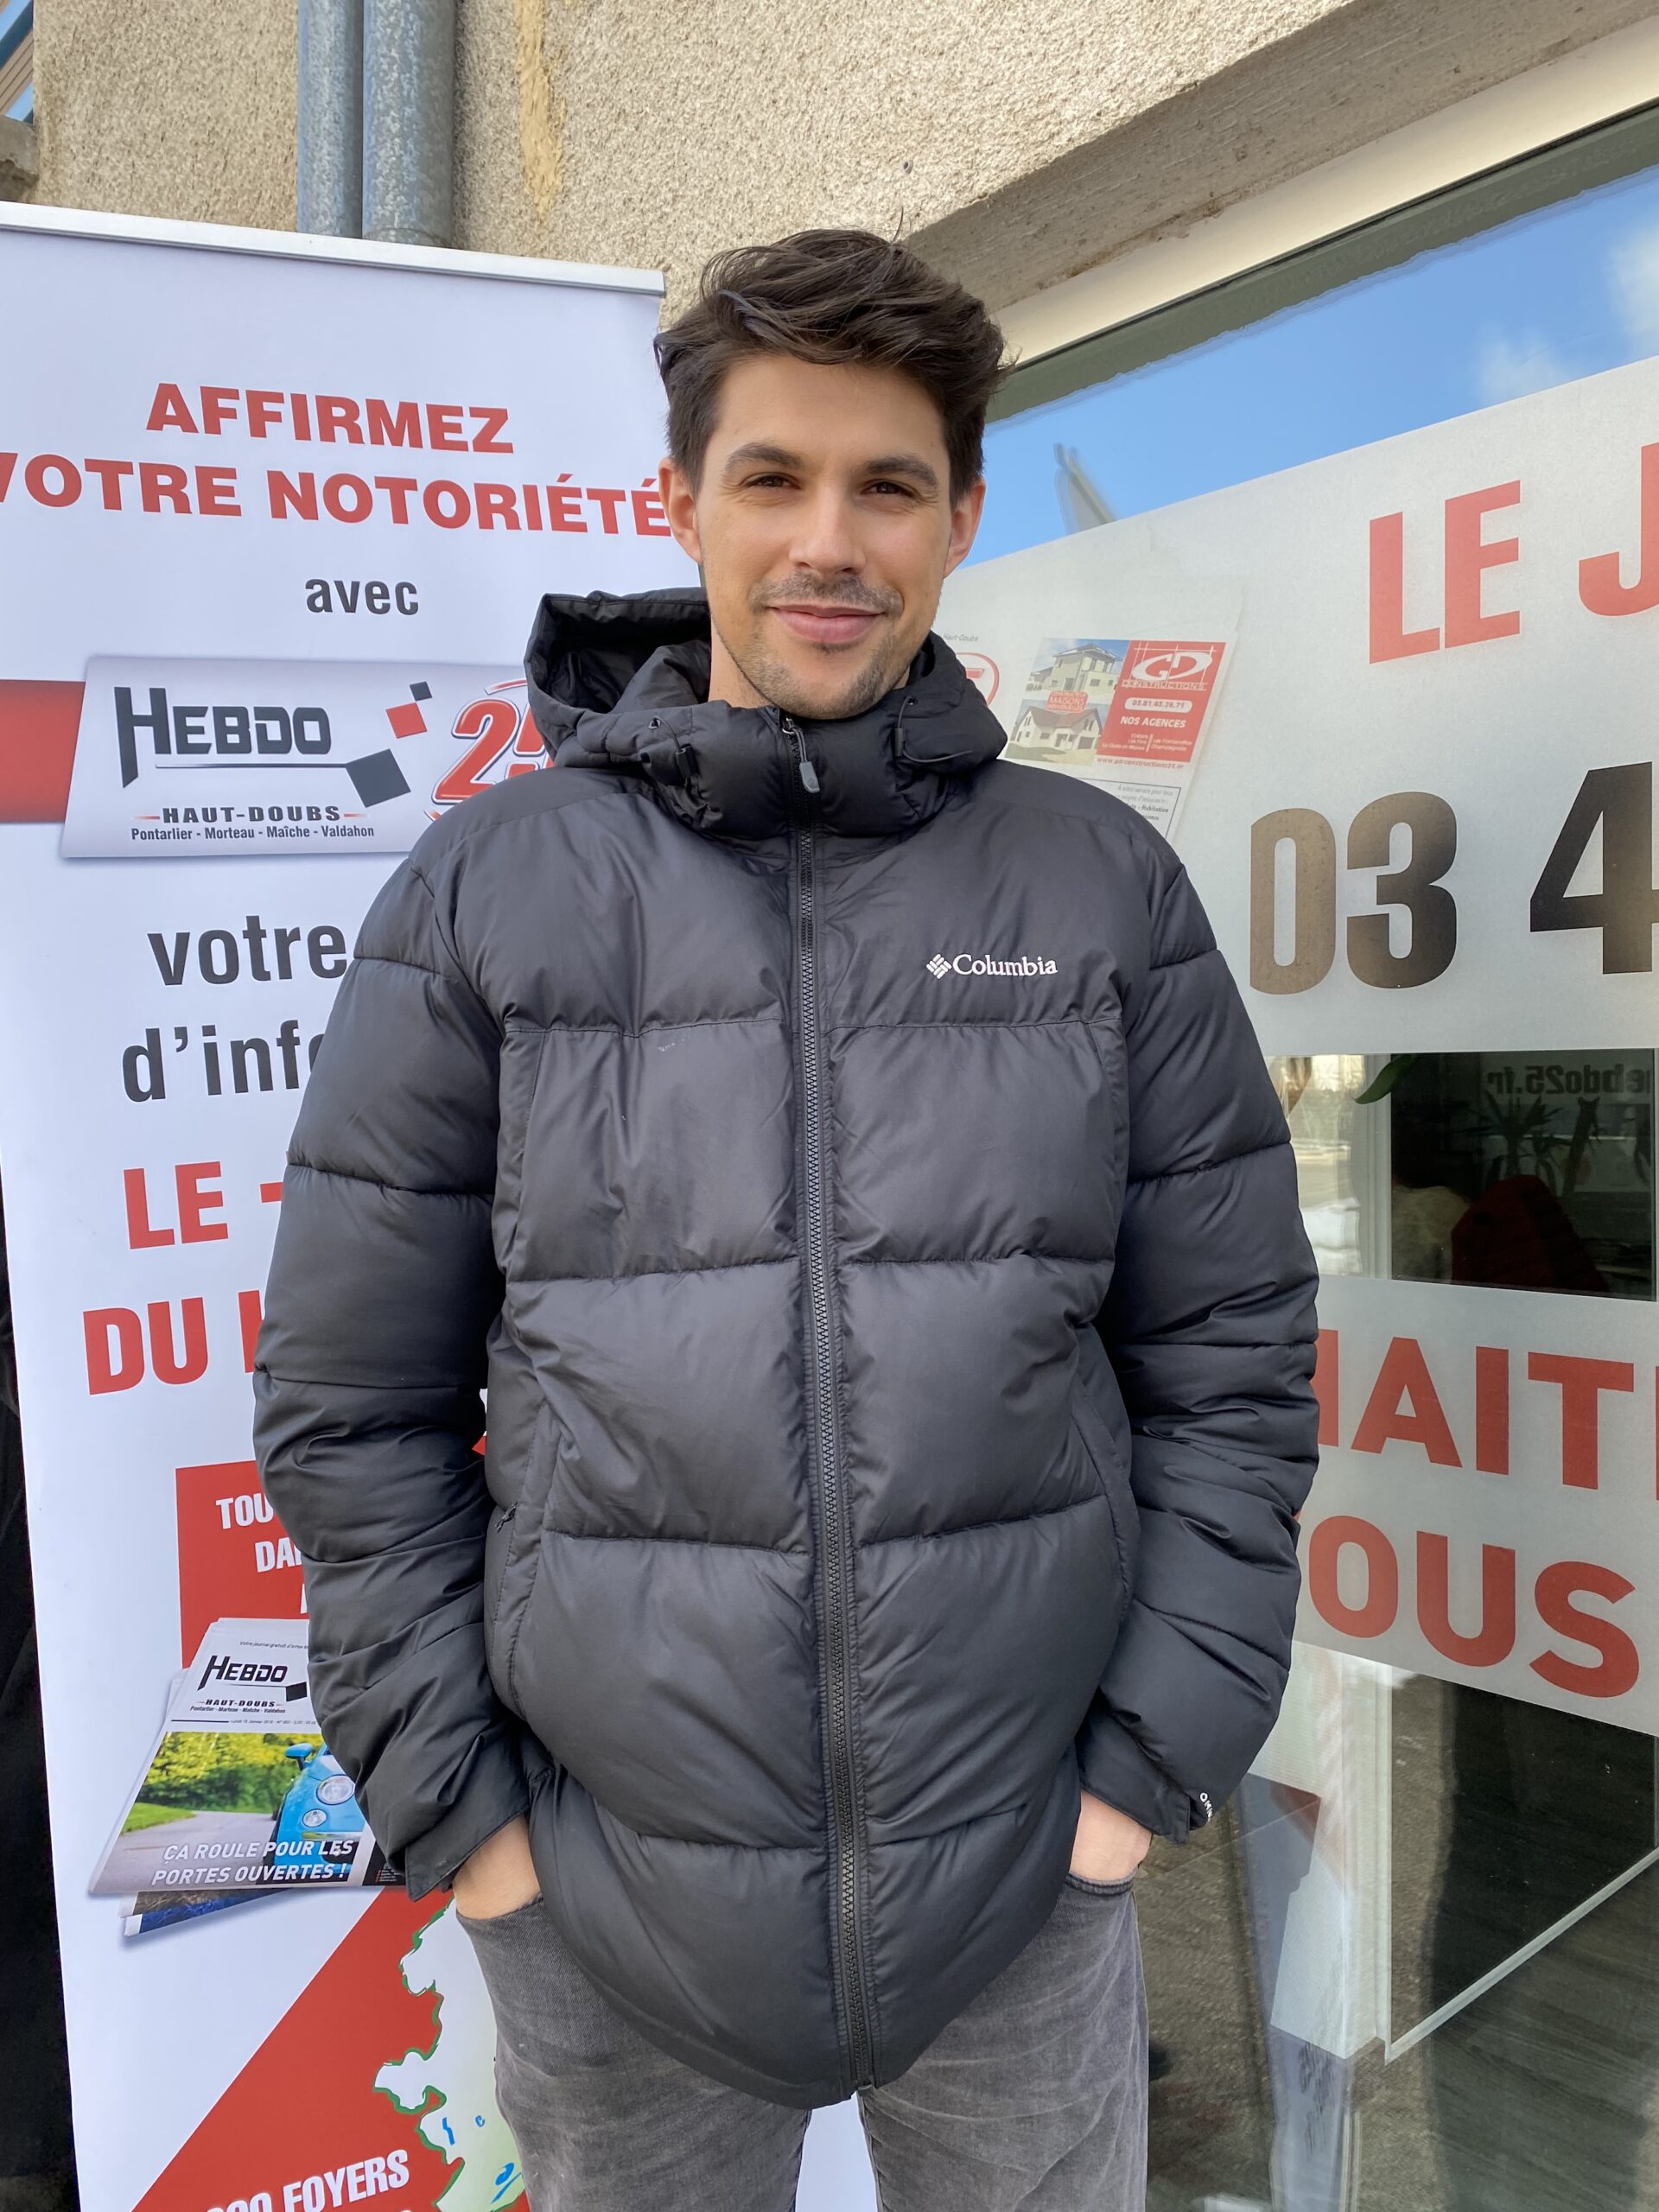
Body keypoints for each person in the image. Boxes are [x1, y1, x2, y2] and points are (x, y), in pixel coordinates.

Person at [254, 227, 1320, 2212]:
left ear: (962, 517)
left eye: (888, 483)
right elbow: (353, 1400)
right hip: (605, 1905)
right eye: (774, 475)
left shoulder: (1101, 890)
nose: (831, 540)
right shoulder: (490, 893)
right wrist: (472, 1823)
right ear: (682, 500)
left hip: (1027, 1881)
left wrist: (1137, 1772)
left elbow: (1234, 1364)